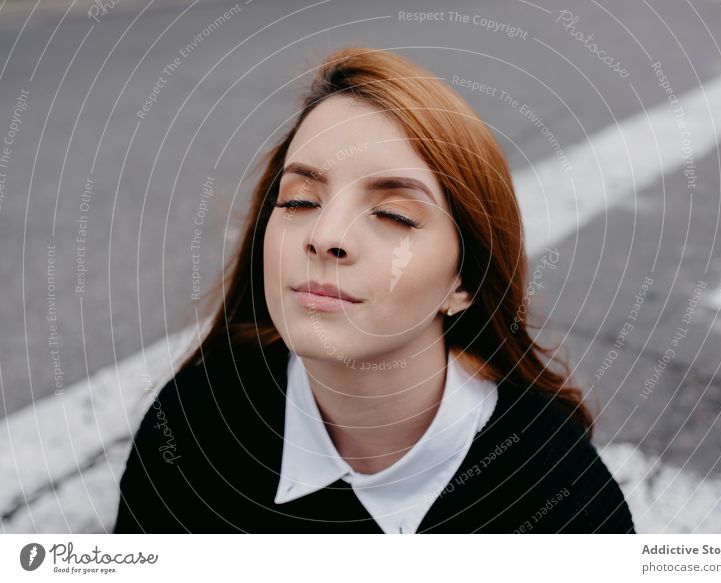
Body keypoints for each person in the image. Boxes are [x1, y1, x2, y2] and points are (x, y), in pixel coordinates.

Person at [113, 46, 635, 534]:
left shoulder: (564, 502)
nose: (324, 237)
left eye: (393, 214)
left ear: (465, 283)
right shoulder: (194, 423)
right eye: (299, 201)